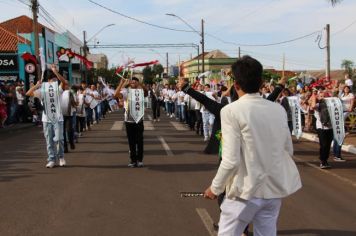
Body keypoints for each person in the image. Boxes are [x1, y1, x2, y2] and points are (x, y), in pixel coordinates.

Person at [203, 56, 302, 236]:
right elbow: (288, 149)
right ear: (261, 82)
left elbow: (230, 160)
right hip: (273, 190)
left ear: (236, 85)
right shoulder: (278, 109)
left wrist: (215, 188)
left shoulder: (231, 111)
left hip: (244, 192)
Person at [26, 64, 68, 168]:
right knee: (49, 141)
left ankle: (61, 157)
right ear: (48, 80)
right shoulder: (42, 91)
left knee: (59, 139)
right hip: (46, 119)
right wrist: (37, 85)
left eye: (55, 80)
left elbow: (64, 82)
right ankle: (51, 159)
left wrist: (55, 71)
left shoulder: (58, 89)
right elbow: (28, 93)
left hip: (58, 118)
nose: (54, 81)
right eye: (52, 79)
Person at [114, 77, 148, 168]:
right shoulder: (126, 92)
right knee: (131, 142)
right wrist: (121, 84)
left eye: (135, 81)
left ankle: (140, 160)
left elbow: (146, 92)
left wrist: (140, 84)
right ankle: (133, 161)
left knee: (140, 141)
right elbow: (116, 94)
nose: (133, 82)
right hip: (129, 120)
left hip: (139, 120)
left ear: (138, 83)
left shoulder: (140, 92)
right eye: (132, 82)